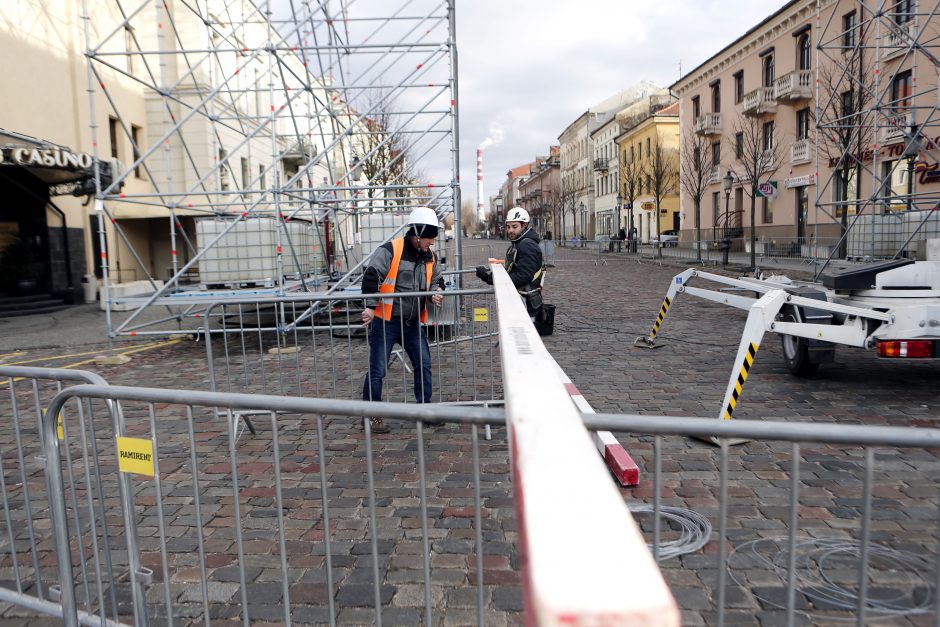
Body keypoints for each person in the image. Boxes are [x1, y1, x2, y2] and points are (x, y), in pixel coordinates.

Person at [361, 206, 444, 433]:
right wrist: (369, 308)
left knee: (424, 364)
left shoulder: (430, 257)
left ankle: (424, 411)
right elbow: (371, 277)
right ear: (416, 234)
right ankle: (371, 416)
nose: (432, 243)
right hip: (386, 322)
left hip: (412, 323)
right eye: (429, 238)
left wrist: (436, 291)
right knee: (378, 370)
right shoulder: (390, 250)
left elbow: (437, 279)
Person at [475, 206, 545, 320]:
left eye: (514, 226)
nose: (510, 230)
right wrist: (488, 277)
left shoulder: (527, 245)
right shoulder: (518, 243)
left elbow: (523, 276)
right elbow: (511, 271)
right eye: (508, 227)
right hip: (520, 300)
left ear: (524, 226)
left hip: (526, 303)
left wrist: (493, 279)